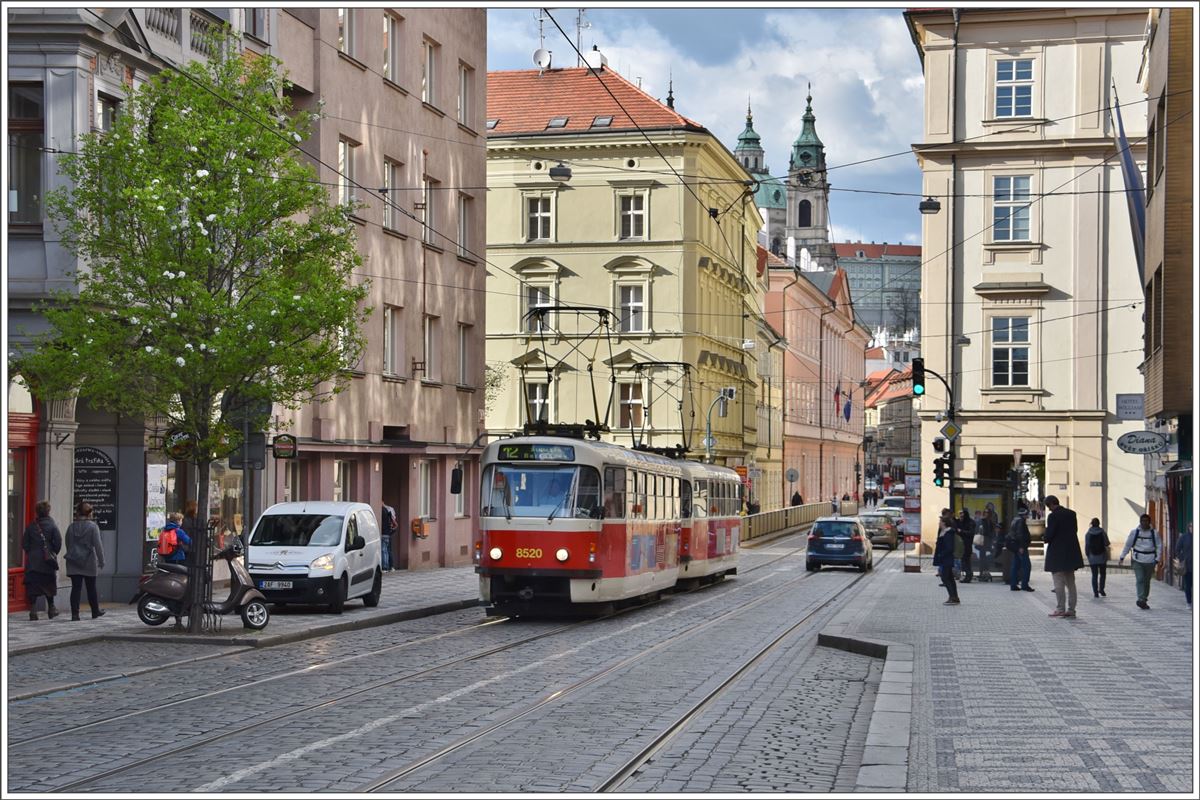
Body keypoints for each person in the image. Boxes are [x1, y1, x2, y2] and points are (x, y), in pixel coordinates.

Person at [1043, 495, 1083, 618]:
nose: (1049, 509)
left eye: (1048, 507)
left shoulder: (1053, 516)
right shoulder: (1072, 514)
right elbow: (1075, 530)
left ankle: (1060, 608)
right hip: (1071, 552)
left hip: (1057, 553)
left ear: (1050, 504)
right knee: (1071, 583)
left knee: (1058, 583)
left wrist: (1045, 537)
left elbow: (1050, 535)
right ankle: (1071, 610)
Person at [64, 501, 106, 620]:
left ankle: (75, 614)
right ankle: (94, 611)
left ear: (77, 512)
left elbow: (68, 543)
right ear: (90, 514)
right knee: (91, 587)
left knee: (76, 588)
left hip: (73, 561)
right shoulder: (93, 527)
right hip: (89, 561)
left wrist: (74, 553)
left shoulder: (71, 527)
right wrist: (101, 561)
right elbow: (98, 545)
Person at [21, 500, 62, 620]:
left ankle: (33, 611)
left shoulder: (31, 526)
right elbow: (58, 542)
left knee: (33, 585)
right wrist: (52, 552)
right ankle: (51, 608)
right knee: (49, 584)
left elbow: (24, 543)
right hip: (47, 561)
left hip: (33, 562)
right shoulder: (52, 525)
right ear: (48, 511)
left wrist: (31, 552)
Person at [1118, 513, 1162, 610]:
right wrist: (1122, 557)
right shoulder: (1134, 533)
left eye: (1146, 521)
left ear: (1149, 522)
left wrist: (1157, 559)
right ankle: (1141, 599)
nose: (1144, 523)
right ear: (1140, 522)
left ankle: (1144, 598)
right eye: (1143, 521)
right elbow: (1128, 545)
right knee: (1140, 579)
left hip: (1150, 560)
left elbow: (1159, 546)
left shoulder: (1154, 533)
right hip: (1138, 559)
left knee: (1147, 581)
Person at [933, 508, 960, 605]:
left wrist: (941, 554)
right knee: (949, 578)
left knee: (945, 577)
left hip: (946, 559)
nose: (939, 523)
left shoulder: (948, 533)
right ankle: (954, 597)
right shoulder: (944, 532)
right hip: (945, 558)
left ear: (944, 523)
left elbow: (949, 548)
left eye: (940, 521)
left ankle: (953, 597)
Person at [1006, 506, 1034, 592]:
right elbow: (1020, 535)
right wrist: (1022, 547)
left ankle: (1013, 584)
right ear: (1023, 515)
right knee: (1026, 566)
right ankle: (1024, 585)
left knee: (1015, 566)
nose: (1027, 516)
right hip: (1021, 547)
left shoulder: (1015, 520)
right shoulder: (1021, 522)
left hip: (1016, 547)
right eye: (1026, 514)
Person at [1083, 517, 1110, 598]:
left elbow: (1087, 545)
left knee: (1094, 575)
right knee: (1103, 574)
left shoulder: (1088, 533)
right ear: (1099, 524)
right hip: (1102, 556)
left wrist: (1087, 554)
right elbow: (1107, 543)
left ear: (1091, 524)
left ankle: (1095, 592)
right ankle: (1101, 589)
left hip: (1092, 557)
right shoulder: (1102, 532)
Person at [956, 509, 975, 584]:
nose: (961, 515)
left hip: (967, 544)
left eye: (962, 513)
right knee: (965, 561)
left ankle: (968, 576)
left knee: (966, 561)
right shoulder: (962, 521)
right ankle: (968, 575)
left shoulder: (970, 522)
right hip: (962, 544)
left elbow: (971, 533)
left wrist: (961, 531)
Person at [1176, 522, 1193, 607]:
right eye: (1192, 526)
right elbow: (1177, 549)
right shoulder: (1184, 537)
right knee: (1188, 585)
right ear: (1189, 527)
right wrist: (1182, 559)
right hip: (1188, 565)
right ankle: (1189, 602)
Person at [380, 502, 398, 572]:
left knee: (384, 550)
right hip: (388, 533)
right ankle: (391, 566)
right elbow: (394, 522)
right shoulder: (389, 510)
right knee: (388, 550)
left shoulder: (382, 510)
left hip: (384, 532)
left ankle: (385, 567)